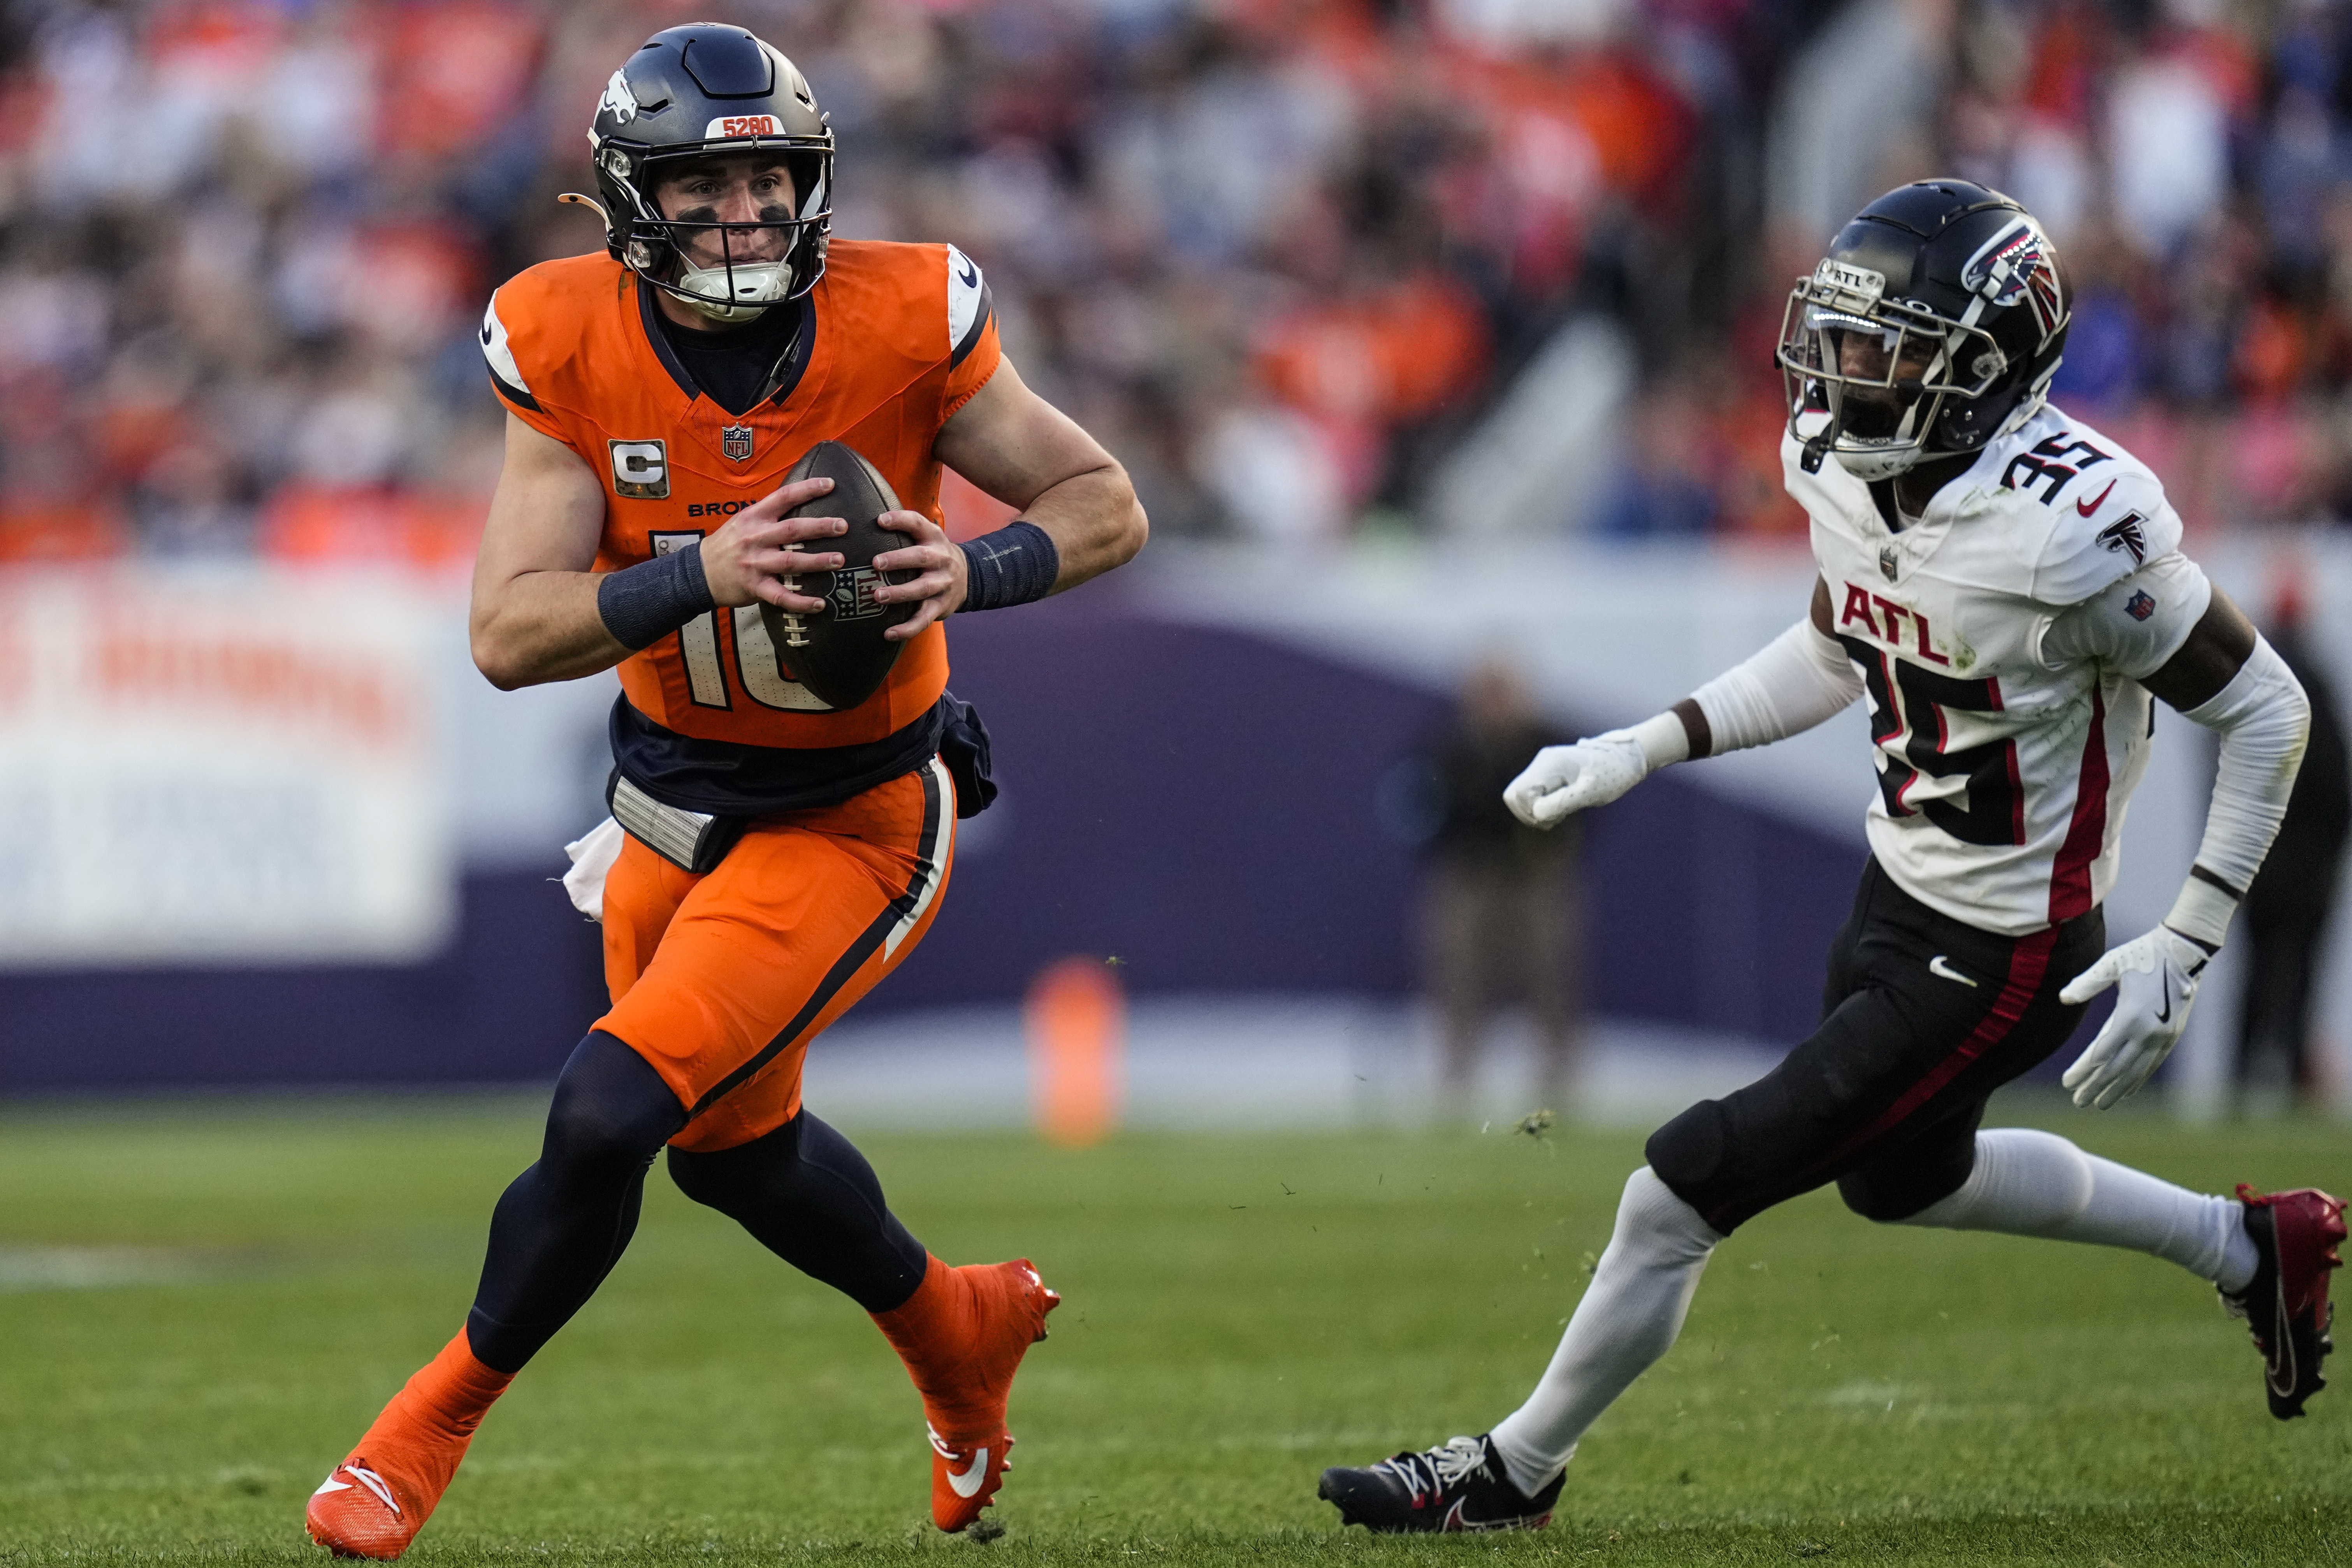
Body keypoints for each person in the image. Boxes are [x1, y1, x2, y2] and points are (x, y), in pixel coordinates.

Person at [1318, 181, 2343, 1534]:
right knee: (1905, 1176)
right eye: (1842, 336)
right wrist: (1649, 741)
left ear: (1985, 362)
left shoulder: (2077, 524)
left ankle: (1511, 1469)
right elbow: (1838, 639)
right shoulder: (1848, 458)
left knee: (1682, 1180)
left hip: (2005, 945)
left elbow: (2270, 706)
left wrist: (2195, 928)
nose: (1845, 370)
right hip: (1893, 893)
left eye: (1886, 345)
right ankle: (2251, 1244)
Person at [305, 25, 1146, 1559]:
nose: (747, 211)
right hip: (663, 810)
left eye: (769, 176)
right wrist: (700, 568)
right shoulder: (563, 338)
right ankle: (956, 1329)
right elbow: (506, 633)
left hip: (854, 813)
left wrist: (979, 562)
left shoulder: (906, 318)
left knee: (605, 1106)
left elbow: (1105, 503)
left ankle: (415, 1430)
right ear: (633, 200)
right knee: (734, 1156)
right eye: (707, 184)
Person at [1408, 659, 1581, 1108]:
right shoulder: (1451, 750)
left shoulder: (1547, 746)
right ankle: (1455, 1082)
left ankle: (1559, 1084)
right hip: (1472, 877)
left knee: (1550, 975)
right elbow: (1422, 807)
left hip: (1534, 877)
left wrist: (1555, 844)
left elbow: (1585, 805)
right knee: (1460, 977)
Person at [2233, 580, 2350, 1111]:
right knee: (2297, 970)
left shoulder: (2244, 682)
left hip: (2251, 857)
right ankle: (2293, 1074)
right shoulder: (2313, 683)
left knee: (2255, 970)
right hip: (2304, 864)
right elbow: (2333, 781)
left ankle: (2243, 1075)